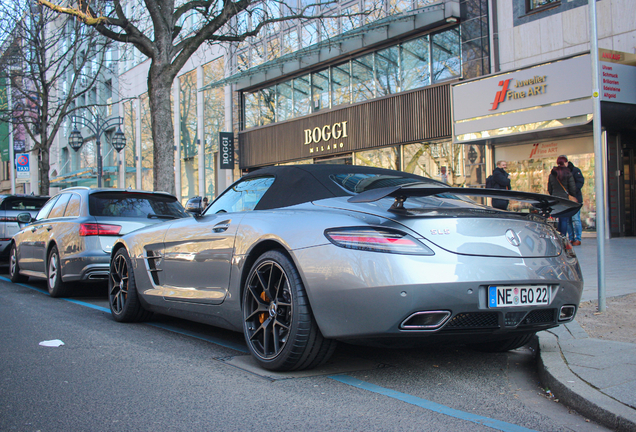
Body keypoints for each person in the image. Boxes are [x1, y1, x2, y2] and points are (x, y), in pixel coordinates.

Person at [547, 155, 578, 237]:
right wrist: (571, 195)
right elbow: (572, 188)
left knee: (558, 219)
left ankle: (558, 237)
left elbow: (549, 189)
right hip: (565, 200)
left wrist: (553, 195)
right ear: (565, 162)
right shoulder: (568, 173)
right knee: (564, 219)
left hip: (555, 199)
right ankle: (563, 237)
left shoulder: (552, 174)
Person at [563, 155, 584, 246]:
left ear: (567, 162)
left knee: (575, 219)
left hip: (575, 199)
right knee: (568, 220)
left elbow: (580, 182)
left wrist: (572, 191)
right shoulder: (562, 172)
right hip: (566, 199)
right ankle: (571, 238)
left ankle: (578, 238)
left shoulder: (575, 171)